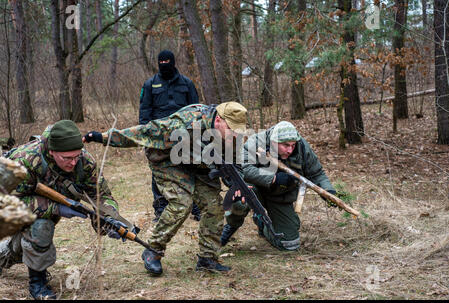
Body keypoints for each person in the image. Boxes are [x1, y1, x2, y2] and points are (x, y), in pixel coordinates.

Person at [83, 102, 248, 276]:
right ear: (218, 121)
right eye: (231, 128)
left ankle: (208, 258)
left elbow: (235, 162)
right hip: (168, 160)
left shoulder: (232, 135)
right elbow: (142, 133)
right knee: (181, 203)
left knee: (213, 206)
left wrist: (238, 185)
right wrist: (102, 137)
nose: (235, 133)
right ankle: (153, 250)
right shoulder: (184, 124)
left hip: (199, 164)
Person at [0, 120, 137, 300]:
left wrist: (109, 218)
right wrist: (56, 208)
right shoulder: (25, 161)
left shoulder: (84, 162)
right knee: (41, 227)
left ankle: (6, 254)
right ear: (52, 152)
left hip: (39, 208)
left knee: (20, 248)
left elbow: (101, 195)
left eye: (76, 156)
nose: (73, 162)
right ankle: (38, 283)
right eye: (67, 158)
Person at [221, 121, 337, 251]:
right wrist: (273, 178)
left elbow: (316, 173)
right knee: (240, 199)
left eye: (293, 145)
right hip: (255, 191)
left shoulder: (302, 147)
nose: (290, 150)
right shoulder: (256, 142)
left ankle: (262, 224)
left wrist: (328, 190)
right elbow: (242, 168)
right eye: (286, 145)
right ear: (273, 141)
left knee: (290, 244)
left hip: (280, 196)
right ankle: (231, 226)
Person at [139, 49, 201, 222]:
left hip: (184, 135)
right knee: (158, 172)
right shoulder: (150, 84)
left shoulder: (187, 83)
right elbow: (145, 111)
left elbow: (196, 109)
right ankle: (160, 208)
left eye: (167, 62)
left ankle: (196, 207)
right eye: (161, 62)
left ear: (173, 62)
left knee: (190, 169)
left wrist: (196, 134)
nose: (164, 65)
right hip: (159, 137)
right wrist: (145, 135)